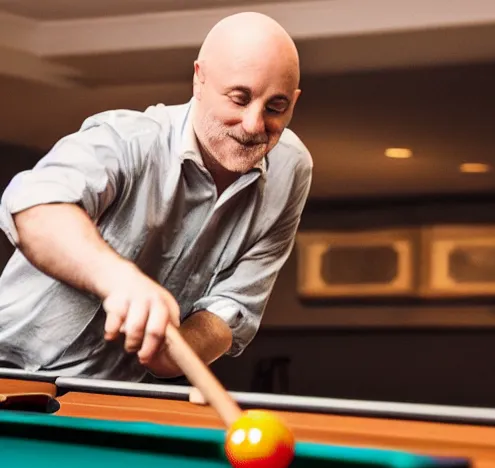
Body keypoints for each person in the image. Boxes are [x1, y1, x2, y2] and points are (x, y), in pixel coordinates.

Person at [0, 12, 312, 382]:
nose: (253, 125)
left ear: (293, 101)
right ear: (199, 79)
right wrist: (118, 279)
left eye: (275, 107)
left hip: (106, 397)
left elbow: (234, 306)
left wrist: (178, 349)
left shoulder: (291, 170)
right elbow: (33, 207)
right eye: (238, 99)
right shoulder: (128, 139)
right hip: (8, 368)